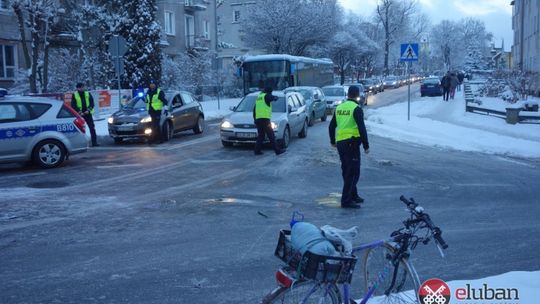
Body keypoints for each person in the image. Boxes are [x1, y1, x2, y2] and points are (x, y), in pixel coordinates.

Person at [328, 86, 369, 209]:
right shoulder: (356, 109)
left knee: (347, 170)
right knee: (353, 172)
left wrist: (332, 141)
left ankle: (353, 195)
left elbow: (331, 126)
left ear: (348, 94)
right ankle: (346, 200)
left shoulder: (339, 108)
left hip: (341, 143)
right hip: (352, 143)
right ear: (357, 95)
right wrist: (366, 145)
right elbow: (362, 128)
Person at [253, 87, 285, 155]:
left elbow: (254, 110)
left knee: (261, 135)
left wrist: (255, 119)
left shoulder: (259, 97)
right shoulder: (266, 96)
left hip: (258, 120)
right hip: (265, 120)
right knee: (271, 135)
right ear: (269, 92)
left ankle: (257, 150)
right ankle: (277, 151)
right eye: (271, 92)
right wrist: (276, 97)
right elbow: (272, 98)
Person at [145, 80, 167, 144]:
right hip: (150, 110)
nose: (152, 85)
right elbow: (147, 101)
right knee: (151, 125)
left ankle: (159, 139)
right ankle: (153, 139)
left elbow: (164, 101)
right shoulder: (148, 92)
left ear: (155, 85)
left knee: (156, 125)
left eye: (153, 84)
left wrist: (166, 108)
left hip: (157, 111)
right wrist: (144, 98)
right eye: (151, 84)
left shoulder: (159, 92)